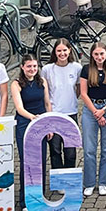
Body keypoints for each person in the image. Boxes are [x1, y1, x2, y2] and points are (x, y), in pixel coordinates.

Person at [80, 42, 106, 197]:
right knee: (89, 149)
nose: (99, 57)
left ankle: (103, 182)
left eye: (102, 54)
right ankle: (89, 183)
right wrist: (96, 112)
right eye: (96, 54)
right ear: (92, 55)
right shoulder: (86, 70)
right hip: (91, 109)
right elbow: (83, 93)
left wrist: (103, 111)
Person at [10, 55, 49, 209]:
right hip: (25, 123)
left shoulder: (43, 81)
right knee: (27, 162)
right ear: (22, 67)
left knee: (40, 161)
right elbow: (19, 108)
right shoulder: (16, 84)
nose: (32, 69)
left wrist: (48, 122)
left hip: (41, 123)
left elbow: (47, 103)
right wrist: (33, 118)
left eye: (34, 66)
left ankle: (40, 196)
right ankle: (25, 200)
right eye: (29, 66)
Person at [43, 38, 82, 171]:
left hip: (71, 114)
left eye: (64, 50)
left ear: (69, 50)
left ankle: (69, 179)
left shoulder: (76, 68)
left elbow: (79, 88)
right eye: (59, 51)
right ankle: (58, 180)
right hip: (54, 114)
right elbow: (46, 92)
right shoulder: (47, 69)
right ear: (54, 52)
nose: (62, 53)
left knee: (70, 152)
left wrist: (71, 99)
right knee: (55, 150)